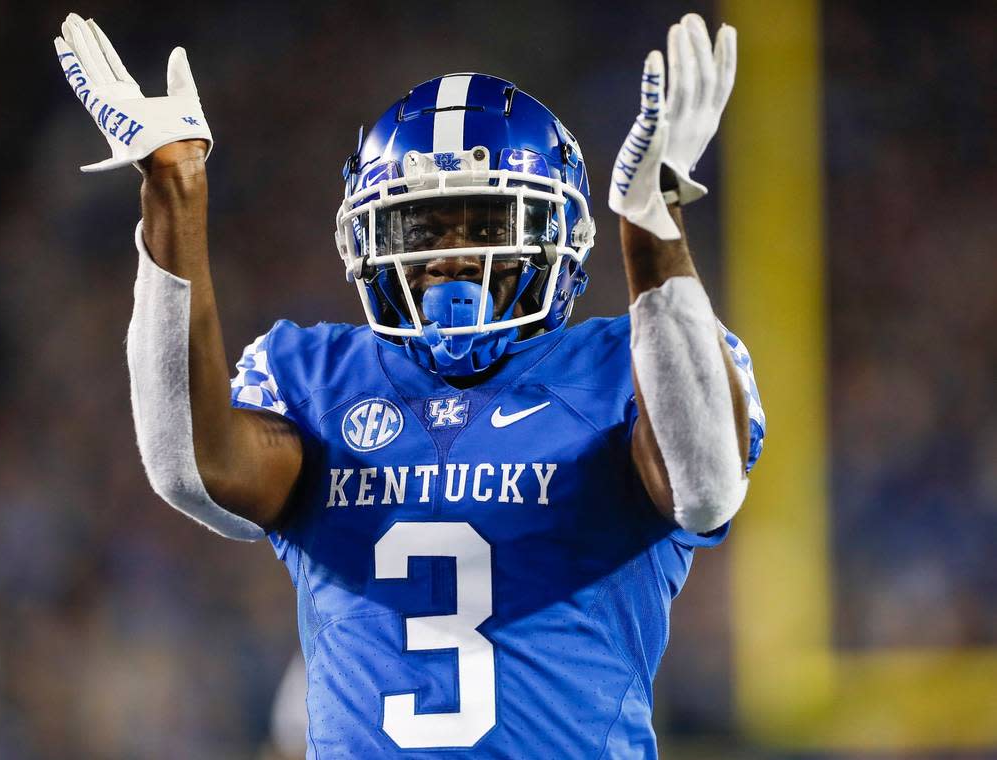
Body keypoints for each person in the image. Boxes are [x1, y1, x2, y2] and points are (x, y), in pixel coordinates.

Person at [55, 10, 764, 758]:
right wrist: (174, 193)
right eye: (422, 230)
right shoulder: (318, 374)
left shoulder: (631, 363)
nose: (452, 259)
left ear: (561, 236)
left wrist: (654, 231)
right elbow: (193, 466)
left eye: (486, 223)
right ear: (367, 239)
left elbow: (705, 483)